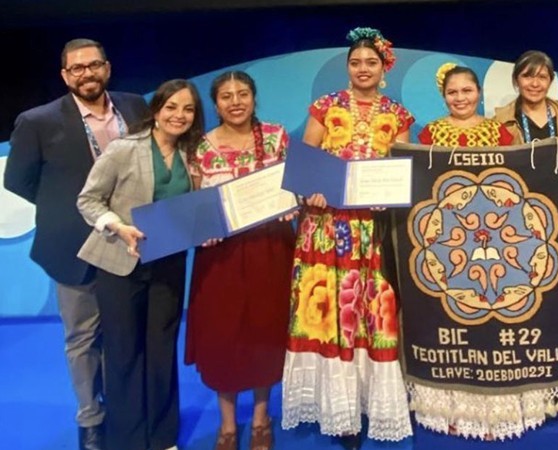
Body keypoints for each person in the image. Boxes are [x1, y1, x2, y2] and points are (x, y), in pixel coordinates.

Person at [3, 38, 148, 450]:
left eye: (94, 65)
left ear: (107, 67)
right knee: (83, 337)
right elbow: (19, 181)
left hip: (132, 243)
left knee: (127, 333)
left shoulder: (136, 107)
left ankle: (126, 408)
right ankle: (90, 419)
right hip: (74, 247)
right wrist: (68, 210)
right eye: (77, 68)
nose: (87, 73)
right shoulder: (38, 121)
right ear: (65, 76)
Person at [281, 27, 414, 450]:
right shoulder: (325, 107)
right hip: (326, 228)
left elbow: (400, 173)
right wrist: (312, 188)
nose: (362, 69)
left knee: (370, 315)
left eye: (370, 63)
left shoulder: (398, 114)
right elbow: (307, 163)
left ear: (384, 67)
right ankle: (338, 411)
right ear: (347, 67)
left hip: (373, 232)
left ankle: (370, 403)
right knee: (330, 312)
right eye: (355, 62)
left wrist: (387, 198)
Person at [76, 79, 204, 450]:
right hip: (120, 263)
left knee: (162, 349)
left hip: (168, 264)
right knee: (123, 351)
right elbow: (88, 201)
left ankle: (163, 436)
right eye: (172, 107)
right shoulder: (123, 150)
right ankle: (128, 439)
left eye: (188, 109)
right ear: (156, 110)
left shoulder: (191, 154)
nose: (179, 115)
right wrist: (117, 226)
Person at [185, 70, 295, 450]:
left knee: (266, 331)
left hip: (270, 249)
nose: (236, 102)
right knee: (223, 336)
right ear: (215, 104)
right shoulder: (198, 146)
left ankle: (262, 419)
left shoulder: (277, 136)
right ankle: (228, 426)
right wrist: (202, 226)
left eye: (243, 93)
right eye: (227, 96)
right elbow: (192, 200)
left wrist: (289, 203)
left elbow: (293, 185)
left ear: (254, 97)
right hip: (220, 256)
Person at [493, 50, 558, 420]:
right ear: (516, 81)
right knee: (535, 310)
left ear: (551, 80)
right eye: (527, 76)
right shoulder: (501, 121)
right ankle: (538, 387)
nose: (534, 83)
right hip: (525, 233)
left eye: (542, 76)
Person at [419, 64, 513, 147]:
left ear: (479, 92)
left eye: (467, 91)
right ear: (444, 95)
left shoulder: (496, 131)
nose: (460, 98)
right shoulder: (432, 131)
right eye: (452, 92)